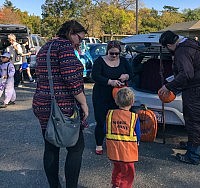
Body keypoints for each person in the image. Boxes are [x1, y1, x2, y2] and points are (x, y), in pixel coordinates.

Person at [32, 20, 89, 188]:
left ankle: (54, 186)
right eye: (80, 38)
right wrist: (84, 104)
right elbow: (71, 77)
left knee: (51, 146)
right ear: (72, 33)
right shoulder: (65, 47)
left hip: (42, 103)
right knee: (76, 148)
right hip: (62, 105)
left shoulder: (45, 47)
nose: (80, 42)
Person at [158, 30, 200, 165]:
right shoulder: (190, 43)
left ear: (169, 45)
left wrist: (168, 87)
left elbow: (186, 75)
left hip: (198, 90)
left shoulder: (182, 51)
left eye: (167, 48)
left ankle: (193, 156)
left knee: (195, 121)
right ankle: (191, 145)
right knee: (194, 120)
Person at [91, 40, 133, 155]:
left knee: (116, 120)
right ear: (107, 52)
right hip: (101, 95)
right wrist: (109, 82)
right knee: (101, 120)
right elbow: (95, 76)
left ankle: (113, 142)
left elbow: (132, 72)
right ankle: (99, 144)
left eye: (117, 53)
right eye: (112, 53)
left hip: (118, 96)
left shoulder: (123, 61)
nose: (114, 56)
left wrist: (126, 76)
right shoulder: (100, 61)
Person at [105, 87, 140, 188]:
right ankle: (124, 186)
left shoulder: (110, 114)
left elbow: (105, 128)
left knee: (117, 167)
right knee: (128, 172)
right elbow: (137, 133)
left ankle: (115, 184)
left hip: (113, 149)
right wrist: (137, 141)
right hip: (127, 151)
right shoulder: (133, 117)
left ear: (116, 101)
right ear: (132, 102)